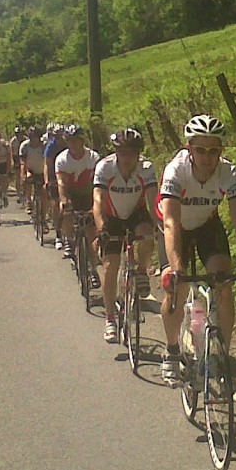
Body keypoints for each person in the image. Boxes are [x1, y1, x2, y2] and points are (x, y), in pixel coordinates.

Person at [158, 114, 236, 386]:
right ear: (189, 149)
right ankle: (172, 351)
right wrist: (177, 269)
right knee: (177, 287)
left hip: (206, 225)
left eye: (213, 150)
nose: (207, 157)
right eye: (200, 150)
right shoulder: (176, 171)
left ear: (221, 151)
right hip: (176, 228)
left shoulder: (229, 173)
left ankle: (221, 355)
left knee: (224, 283)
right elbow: (170, 222)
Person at [92, 128, 158, 343]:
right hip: (111, 218)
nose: (127, 158)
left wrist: (159, 226)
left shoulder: (146, 168)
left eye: (132, 153)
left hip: (136, 214)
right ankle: (110, 318)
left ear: (139, 154)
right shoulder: (105, 167)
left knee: (147, 234)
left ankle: (141, 271)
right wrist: (101, 229)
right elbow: (98, 201)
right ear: (115, 152)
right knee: (110, 267)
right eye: (122, 152)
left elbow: (152, 200)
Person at [55, 124, 100, 286]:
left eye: (76, 141)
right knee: (66, 212)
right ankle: (69, 238)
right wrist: (64, 200)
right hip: (71, 194)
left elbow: (98, 184)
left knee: (91, 235)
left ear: (82, 141)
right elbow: (61, 183)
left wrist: (97, 205)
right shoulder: (62, 159)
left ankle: (93, 270)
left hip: (89, 194)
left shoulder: (93, 157)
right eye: (70, 141)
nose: (73, 144)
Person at [20, 126, 47, 222]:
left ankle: (43, 215)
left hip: (42, 171)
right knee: (28, 180)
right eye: (32, 137)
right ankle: (29, 202)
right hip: (30, 170)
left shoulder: (44, 146)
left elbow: (48, 160)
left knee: (44, 193)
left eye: (36, 137)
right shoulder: (25, 146)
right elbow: (23, 162)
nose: (34, 139)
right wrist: (24, 174)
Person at [9, 125, 24, 204]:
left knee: (24, 177)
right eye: (17, 134)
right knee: (18, 177)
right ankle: (19, 194)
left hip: (24, 157)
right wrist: (12, 161)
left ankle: (24, 191)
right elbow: (11, 152)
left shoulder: (25, 139)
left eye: (20, 133)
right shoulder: (13, 141)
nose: (19, 135)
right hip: (16, 158)